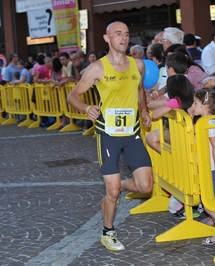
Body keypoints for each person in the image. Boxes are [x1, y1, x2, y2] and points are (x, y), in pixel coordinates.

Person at [67, 21, 153, 251]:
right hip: (108, 134)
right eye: (118, 34)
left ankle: (119, 185)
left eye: (126, 34)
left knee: (146, 186)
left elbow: (139, 89)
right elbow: (73, 96)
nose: (123, 38)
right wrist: (87, 108)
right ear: (107, 38)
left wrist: (143, 109)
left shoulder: (138, 65)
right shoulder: (97, 68)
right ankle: (108, 232)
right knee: (112, 192)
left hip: (133, 132)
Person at [188, 88, 215, 249]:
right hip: (206, 168)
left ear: (206, 106)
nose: (193, 106)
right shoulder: (203, 122)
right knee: (212, 202)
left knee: (210, 204)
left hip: (212, 169)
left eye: (196, 103)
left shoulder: (209, 123)